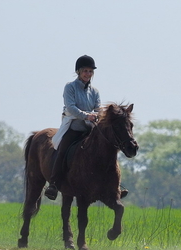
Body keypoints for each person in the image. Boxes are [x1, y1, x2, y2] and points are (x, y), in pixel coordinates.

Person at [45, 55, 127, 200]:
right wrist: (86, 116)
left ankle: (115, 185)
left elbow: (98, 108)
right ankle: (54, 183)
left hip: (90, 129)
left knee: (107, 148)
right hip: (74, 127)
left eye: (90, 71)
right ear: (79, 72)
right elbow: (71, 107)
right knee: (63, 150)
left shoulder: (94, 91)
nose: (88, 74)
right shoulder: (70, 87)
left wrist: (97, 114)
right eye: (85, 71)